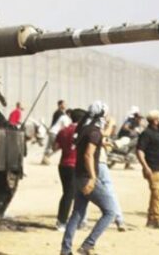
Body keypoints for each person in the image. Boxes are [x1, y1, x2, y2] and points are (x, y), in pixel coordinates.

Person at [61, 101, 117, 255]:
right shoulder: (94, 132)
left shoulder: (85, 129)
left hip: (78, 175)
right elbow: (88, 155)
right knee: (110, 212)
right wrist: (92, 178)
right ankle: (88, 245)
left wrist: (103, 143)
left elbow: (94, 142)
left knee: (77, 214)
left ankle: (65, 249)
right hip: (87, 177)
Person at [53, 108, 86, 231]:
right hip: (76, 165)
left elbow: (55, 147)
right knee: (73, 194)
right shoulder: (83, 131)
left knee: (67, 193)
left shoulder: (64, 130)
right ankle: (63, 222)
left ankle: (69, 220)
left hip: (63, 165)